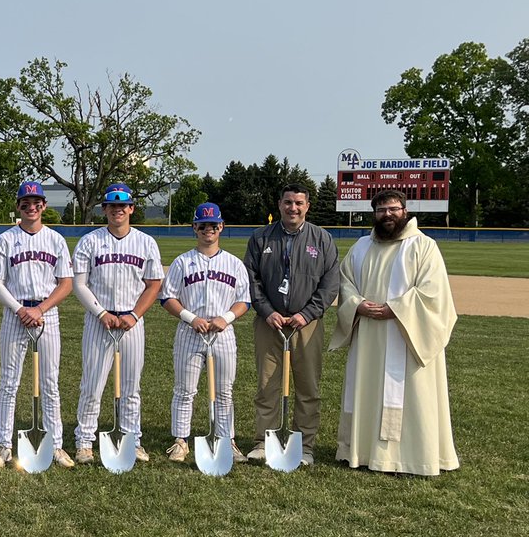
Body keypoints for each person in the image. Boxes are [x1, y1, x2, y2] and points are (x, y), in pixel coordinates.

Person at [329, 190, 458, 476]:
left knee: (413, 395)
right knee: (366, 388)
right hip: (369, 337)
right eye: (381, 210)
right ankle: (363, 452)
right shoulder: (361, 247)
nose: (387, 214)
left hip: (407, 334)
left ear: (405, 210)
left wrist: (395, 309)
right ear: (373, 214)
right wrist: (358, 304)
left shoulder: (423, 246)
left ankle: (412, 457)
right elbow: (345, 282)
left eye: (393, 209)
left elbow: (433, 293)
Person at [243, 183, 339, 466]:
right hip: (269, 322)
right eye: (288, 202)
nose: (293, 208)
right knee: (267, 384)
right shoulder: (261, 237)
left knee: (308, 386)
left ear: (307, 206)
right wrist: (266, 310)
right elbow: (251, 279)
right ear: (279, 204)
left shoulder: (322, 239)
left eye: (299, 203)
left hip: (305, 324)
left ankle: (305, 445)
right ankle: (264, 441)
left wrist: (308, 313)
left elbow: (330, 282)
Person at [71, 184, 162, 464]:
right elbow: (79, 284)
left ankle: (132, 439)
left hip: (132, 323)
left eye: (123, 205)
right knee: (92, 384)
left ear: (132, 208)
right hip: (100, 321)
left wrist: (134, 315)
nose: (118, 210)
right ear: (105, 210)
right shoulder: (90, 241)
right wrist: (101, 313)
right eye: (112, 206)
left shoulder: (146, 242)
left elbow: (154, 284)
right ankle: (85, 440)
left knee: (131, 386)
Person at [0, 182, 74, 468]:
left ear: (44, 205)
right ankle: (3, 446)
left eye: (36, 202)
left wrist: (40, 309)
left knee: (50, 383)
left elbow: (66, 283)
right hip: (15, 313)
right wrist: (20, 309)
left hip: (46, 314)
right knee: (9, 383)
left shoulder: (56, 240)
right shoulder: (6, 239)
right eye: (26, 202)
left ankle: (57, 445)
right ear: (18, 206)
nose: (31, 206)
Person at [159, 202, 250, 462]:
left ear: (221, 227)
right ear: (194, 228)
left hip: (223, 333)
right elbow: (167, 297)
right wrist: (190, 317)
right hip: (190, 332)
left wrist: (227, 317)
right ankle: (180, 440)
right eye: (202, 225)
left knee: (224, 390)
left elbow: (245, 300)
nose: (207, 229)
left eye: (213, 225)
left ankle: (226, 439)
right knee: (184, 390)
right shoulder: (182, 262)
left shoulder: (234, 263)